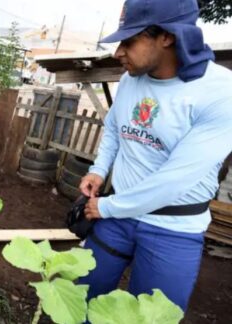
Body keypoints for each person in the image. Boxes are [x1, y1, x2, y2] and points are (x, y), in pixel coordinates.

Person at [77, 0, 232, 312]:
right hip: (117, 217)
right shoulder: (130, 80)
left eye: (130, 41)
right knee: (80, 303)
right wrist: (99, 169)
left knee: (151, 317)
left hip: (173, 227)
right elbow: (114, 130)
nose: (118, 52)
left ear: (168, 37)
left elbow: (175, 180)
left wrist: (106, 206)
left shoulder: (220, 92)